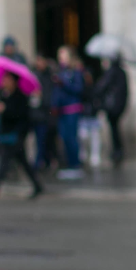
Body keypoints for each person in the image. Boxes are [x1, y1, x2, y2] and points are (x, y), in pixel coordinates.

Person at [0, 71, 42, 197]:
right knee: (22, 161)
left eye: (7, 80)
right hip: (7, 134)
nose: (4, 82)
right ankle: (37, 185)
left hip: (17, 134)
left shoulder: (20, 96)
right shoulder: (4, 94)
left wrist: (5, 109)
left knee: (5, 160)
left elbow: (19, 115)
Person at [53, 46, 85, 179]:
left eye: (64, 56)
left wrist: (64, 83)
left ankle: (75, 164)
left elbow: (78, 88)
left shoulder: (75, 72)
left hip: (72, 109)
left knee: (72, 138)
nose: (62, 59)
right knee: (64, 138)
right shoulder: (60, 72)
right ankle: (69, 163)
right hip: (62, 110)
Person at [95, 56, 129, 165]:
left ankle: (117, 150)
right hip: (119, 105)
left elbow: (102, 87)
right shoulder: (122, 72)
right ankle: (118, 149)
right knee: (116, 128)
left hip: (112, 105)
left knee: (114, 128)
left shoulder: (111, 72)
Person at [30, 54, 57, 170]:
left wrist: (43, 98)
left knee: (45, 139)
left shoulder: (49, 77)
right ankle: (41, 160)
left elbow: (50, 94)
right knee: (39, 138)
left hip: (46, 113)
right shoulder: (34, 75)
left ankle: (42, 161)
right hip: (36, 114)